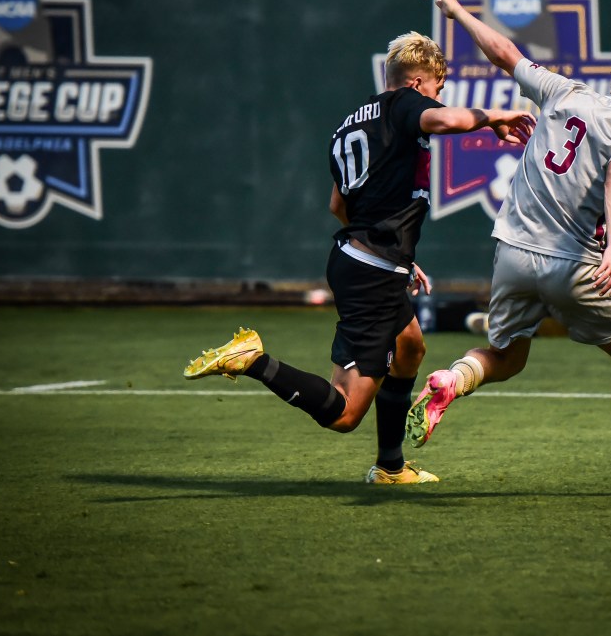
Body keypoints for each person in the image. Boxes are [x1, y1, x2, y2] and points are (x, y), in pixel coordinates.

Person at [405, 0, 611, 495]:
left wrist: (457, 11)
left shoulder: (563, 90)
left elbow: (505, 53)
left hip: (511, 253)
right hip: (571, 264)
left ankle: (452, 379)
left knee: (507, 355)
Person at [182, 31, 535, 484]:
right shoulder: (406, 103)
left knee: (410, 346)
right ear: (417, 82)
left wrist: (392, 251)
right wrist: (496, 117)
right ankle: (254, 360)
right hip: (371, 270)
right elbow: (446, 122)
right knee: (345, 413)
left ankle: (390, 467)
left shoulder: (349, 124)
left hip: (363, 258)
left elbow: (337, 204)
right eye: (437, 88)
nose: (437, 97)